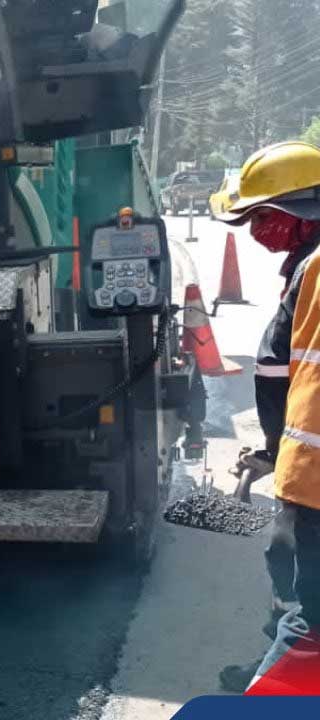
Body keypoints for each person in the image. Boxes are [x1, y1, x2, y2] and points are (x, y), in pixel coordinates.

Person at [209, 141, 320, 692]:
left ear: (296, 215)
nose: (254, 231)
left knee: (302, 592)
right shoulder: (304, 264)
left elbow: (276, 370)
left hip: (313, 472)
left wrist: (278, 451)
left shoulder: (313, 268)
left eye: (260, 217)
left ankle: (272, 691)